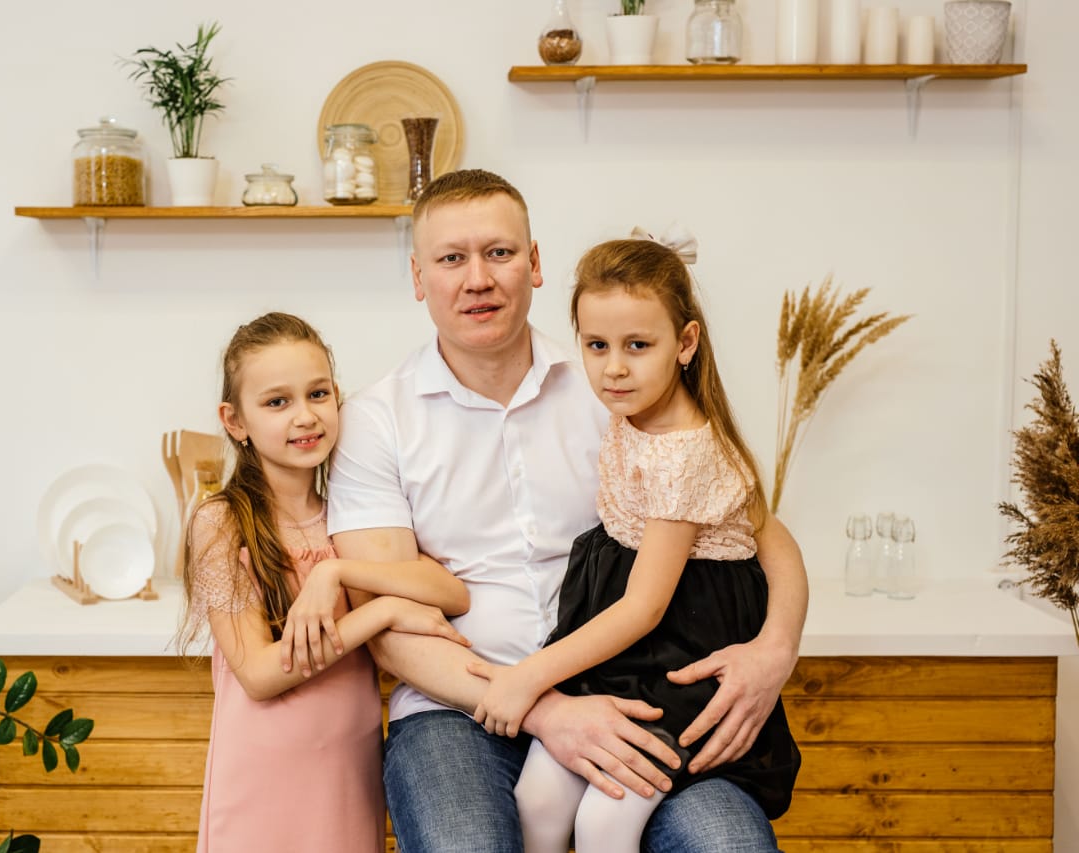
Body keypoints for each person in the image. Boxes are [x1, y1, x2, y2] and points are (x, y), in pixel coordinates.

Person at [328, 169, 809, 853]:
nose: (477, 279)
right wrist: (547, 709)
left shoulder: (614, 387)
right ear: (418, 276)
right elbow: (389, 626)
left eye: (499, 253)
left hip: (637, 695)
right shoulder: (377, 420)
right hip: (457, 710)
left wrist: (775, 649)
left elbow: (761, 532)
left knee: (727, 846)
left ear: (535, 262)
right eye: (452, 258)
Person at [466, 234, 802, 852]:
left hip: (674, 652)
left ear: (686, 344)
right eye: (597, 345)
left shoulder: (683, 452)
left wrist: (527, 677)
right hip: (618, 645)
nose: (614, 367)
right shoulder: (631, 411)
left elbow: (646, 606)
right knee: (537, 798)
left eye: (637, 346)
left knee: (607, 817)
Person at [177, 311, 471, 853]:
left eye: (318, 394)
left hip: (348, 771)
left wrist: (339, 571)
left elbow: (452, 592)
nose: (305, 416)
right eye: (277, 402)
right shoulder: (222, 522)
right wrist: (382, 611)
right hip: (264, 780)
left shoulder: (352, 513)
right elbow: (260, 674)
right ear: (234, 420)